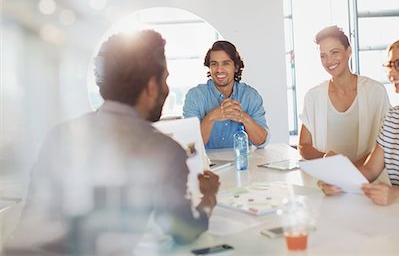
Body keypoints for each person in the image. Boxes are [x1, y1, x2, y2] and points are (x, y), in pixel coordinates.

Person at [6, 30, 220, 255]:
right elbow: (184, 231)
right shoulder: (164, 150)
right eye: (165, 78)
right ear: (151, 86)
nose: (167, 88)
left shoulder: (60, 134)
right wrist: (208, 198)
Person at [319, 37, 399, 226]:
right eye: (390, 65)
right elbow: (371, 169)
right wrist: (340, 182)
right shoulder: (394, 116)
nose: (392, 72)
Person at [299, 26, 390, 166]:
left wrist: (352, 169)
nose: (329, 61)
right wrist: (326, 158)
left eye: (334, 52)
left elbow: (386, 144)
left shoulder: (375, 91)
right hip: (329, 179)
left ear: (349, 51)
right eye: (323, 56)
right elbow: (304, 145)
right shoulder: (313, 96)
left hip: (368, 179)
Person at [183, 40, 269, 149]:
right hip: (208, 165)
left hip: (241, 163)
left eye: (225, 63)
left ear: (236, 67)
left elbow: (261, 142)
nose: (219, 69)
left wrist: (243, 117)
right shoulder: (195, 96)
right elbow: (191, 146)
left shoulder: (250, 96)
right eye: (214, 64)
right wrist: (210, 118)